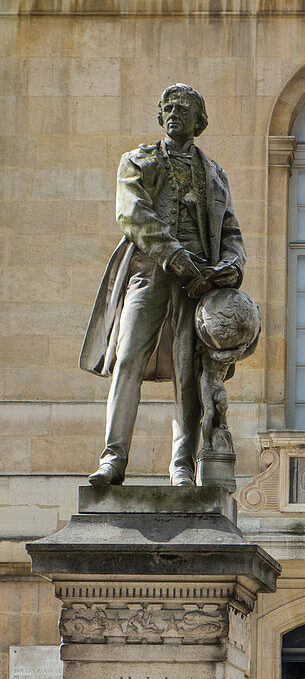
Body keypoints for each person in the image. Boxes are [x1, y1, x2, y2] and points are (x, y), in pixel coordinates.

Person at [79, 84, 246, 487]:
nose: (175, 114)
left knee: (188, 372)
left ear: (199, 121)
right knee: (128, 358)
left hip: (198, 286)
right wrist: (173, 254)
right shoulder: (139, 161)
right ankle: (113, 460)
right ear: (160, 116)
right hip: (151, 272)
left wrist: (231, 266)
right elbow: (133, 213)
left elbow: (230, 232)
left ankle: (182, 466)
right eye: (168, 108)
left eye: (184, 109)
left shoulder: (214, 174)